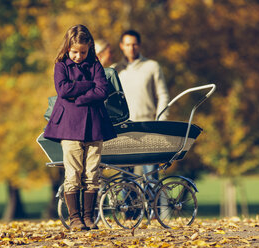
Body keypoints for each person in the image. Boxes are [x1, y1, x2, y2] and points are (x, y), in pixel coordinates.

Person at [44, 24, 117, 231]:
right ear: (67, 47)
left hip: (95, 125)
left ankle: (88, 217)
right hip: (70, 127)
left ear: (90, 48)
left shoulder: (95, 64)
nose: (78, 56)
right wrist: (89, 85)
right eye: (74, 51)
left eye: (83, 52)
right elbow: (63, 89)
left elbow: (103, 90)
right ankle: (75, 218)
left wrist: (80, 95)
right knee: (73, 172)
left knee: (92, 173)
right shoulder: (61, 65)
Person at [114, 30, 169, 178]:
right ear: (121, 46)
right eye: (127, 45)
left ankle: (153, 202)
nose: (131, 48)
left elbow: (163, 95)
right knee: (126, 180)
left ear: (139, 45)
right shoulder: (115, 70)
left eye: (134, 44)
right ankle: (129, 202)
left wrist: (160, 121)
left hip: (148, 128)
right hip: (124, 130)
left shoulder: (152, 66)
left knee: (151, 178)